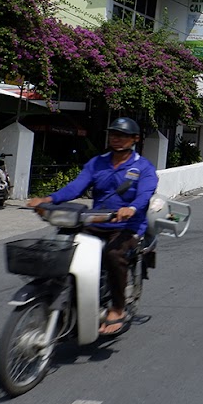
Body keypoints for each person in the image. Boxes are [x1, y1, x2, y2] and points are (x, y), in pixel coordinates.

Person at [27, 117, 158, 335]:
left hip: (127, 225)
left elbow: (145, 194)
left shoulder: (143, 167)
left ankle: (117, 308)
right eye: (114, 134)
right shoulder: (98, 162)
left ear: (135, 139)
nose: (116, 139)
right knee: (64, 247)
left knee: (114, 253)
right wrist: (49, 200)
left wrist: (132, 209)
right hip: (96, 221)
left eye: (122, 135)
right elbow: (76, 187)